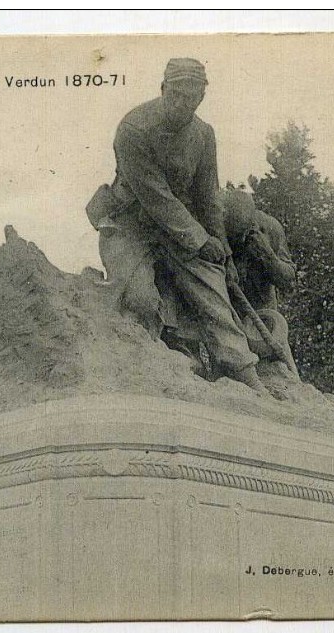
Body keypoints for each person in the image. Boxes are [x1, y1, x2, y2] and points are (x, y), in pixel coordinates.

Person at [86, 58, 265, 393]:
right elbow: (155, 195)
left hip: (182, 229)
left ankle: (243, 370)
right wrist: (200, 239)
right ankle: (172, 359)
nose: (185, 104)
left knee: (214, 292)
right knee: (137, 298)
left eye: (194, 98)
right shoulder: (133, 129)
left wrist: (219, 245)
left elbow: (208, 195)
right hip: (131, 224)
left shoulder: (203, 134)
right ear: (164, 89)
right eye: (178, 95)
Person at [221, 189, 298, 371]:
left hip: (265, 321)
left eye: (243, 234)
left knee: (283, 371)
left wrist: (268, 256)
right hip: (231, 320)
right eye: (234, 237)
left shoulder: (270, 227)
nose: (239, 240)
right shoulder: (213, 225)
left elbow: (288, 281)